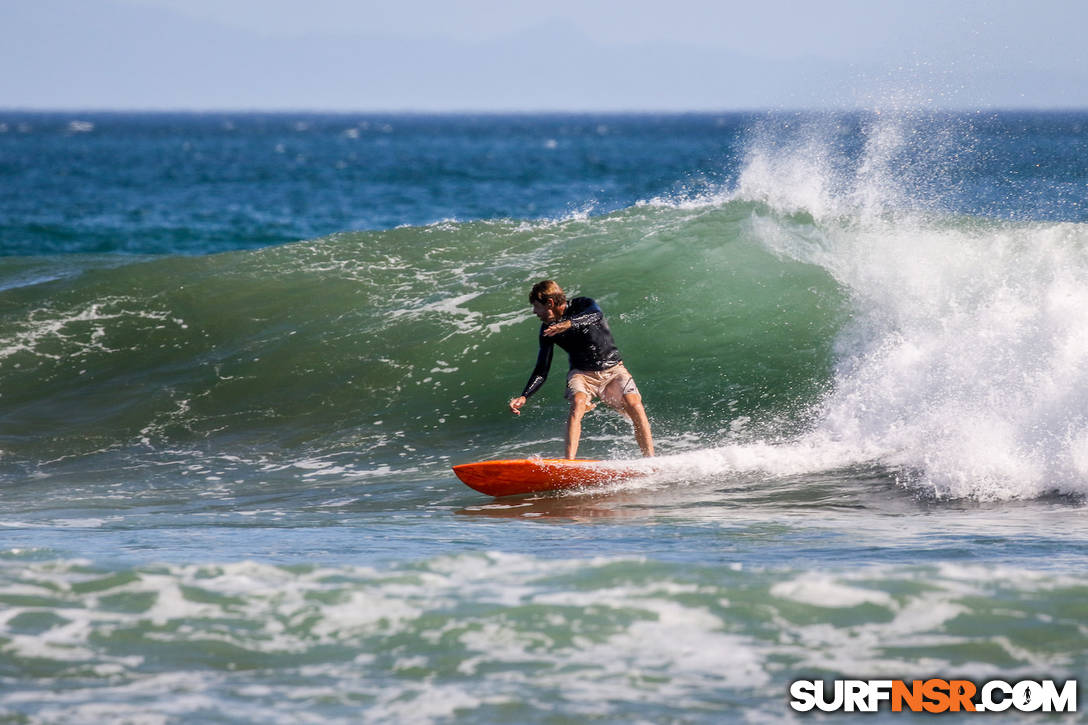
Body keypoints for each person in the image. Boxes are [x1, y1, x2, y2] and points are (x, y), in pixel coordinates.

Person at [508, 280, 654, 459]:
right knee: (578, 403)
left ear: (550, 303)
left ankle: (649, 460)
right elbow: (541, 369)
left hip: (613, 369)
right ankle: (569, 462)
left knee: (634, 404)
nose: (534, 312)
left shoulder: (582, 304)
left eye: (536, 307)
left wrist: (568, 324)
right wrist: (524, 395)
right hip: (582, 374)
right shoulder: (547, 329)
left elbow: (596, 315)